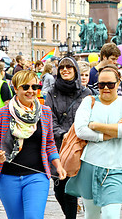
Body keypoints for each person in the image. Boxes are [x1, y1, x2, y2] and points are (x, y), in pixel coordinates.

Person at [0, 70, 66, 219]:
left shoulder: (45, 112)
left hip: (37, 175)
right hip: (7, 177)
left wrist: (58, 165)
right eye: (25, 87)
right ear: (15, 88)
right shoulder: (1, 114)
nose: (31, 91)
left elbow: (49, 143)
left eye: (35, 87)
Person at [65, 64, 122, 219]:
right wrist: (105, 135)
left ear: (118, 83)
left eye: (110, 84)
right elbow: (81, 130)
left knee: (111, 215)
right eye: (101, 84)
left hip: (118, 167)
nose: (105, 88)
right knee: (91, 215)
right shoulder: (88, 102)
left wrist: (96, 126)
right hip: (90, 165)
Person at [45, 57, 92, 219]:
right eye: (62, 67)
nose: (65, 70)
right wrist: (63, 134)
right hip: (58, 144)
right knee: (59, 188)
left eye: (69, 67)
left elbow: (90, 117)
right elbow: (48, 118)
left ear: (75, 70)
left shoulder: (86, 93)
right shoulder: (52, 93)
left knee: (70, 189)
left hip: (79, 144)